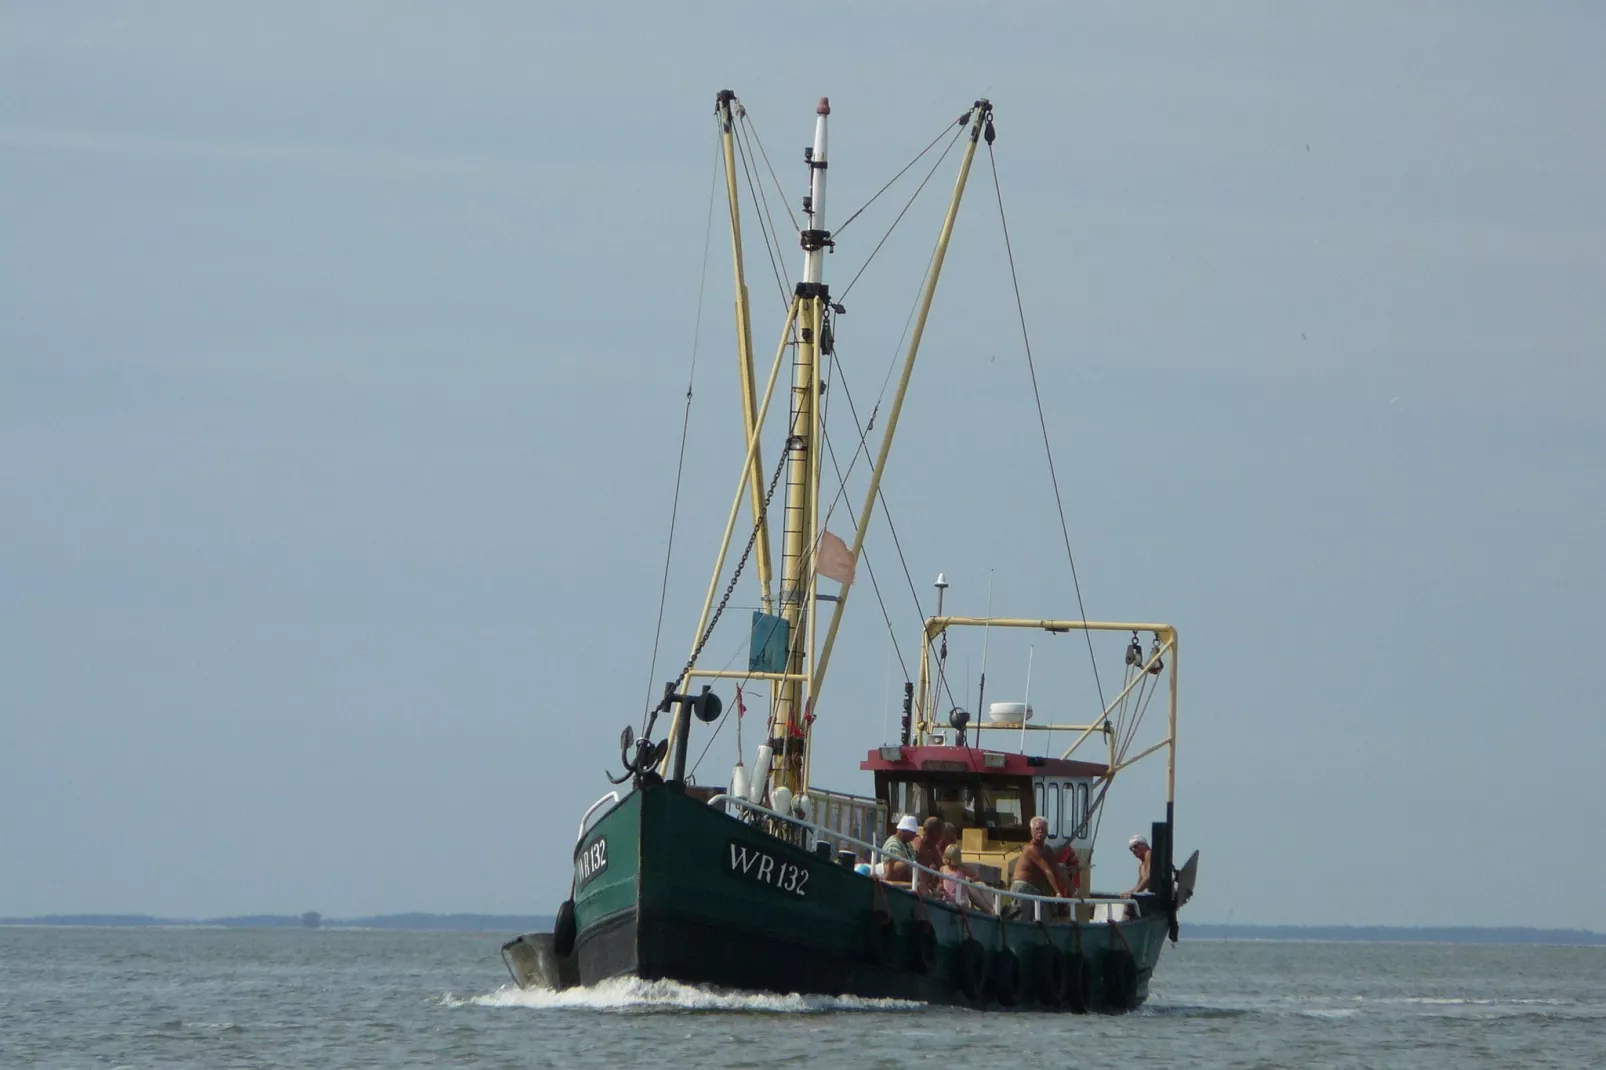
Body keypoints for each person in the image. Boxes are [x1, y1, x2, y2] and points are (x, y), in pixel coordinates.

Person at [1006, 815, 1073, 916]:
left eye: (1043, 829)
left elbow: (1058, 869)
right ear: (1032, 832)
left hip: (1036, 890)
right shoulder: (1031, 849)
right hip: (1023, 888)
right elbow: (1047, 870)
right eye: (1037, 829)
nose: (1040, 831)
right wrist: (1058, 892)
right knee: (1022, 917)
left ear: (1047, 832)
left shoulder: (1047, 850)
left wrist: (1073, 891)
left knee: (1044, 916)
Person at [940, 844, 994, 914]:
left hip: (961, 899)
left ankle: (991, 910)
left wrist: (970, 880)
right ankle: (990, 910)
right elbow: (941, 883)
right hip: (947, 899)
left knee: (973, 888)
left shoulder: (961, 869)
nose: (949, 862)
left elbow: (977, 876)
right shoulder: (942, 869)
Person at [879, 814, 919, 882]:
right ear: (904, 831)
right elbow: (899, 868)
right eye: (912, 833)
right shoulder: (893, 845)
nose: (914, 836)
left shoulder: (907, 844)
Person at [912, 816, 944, 895]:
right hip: (916, 885)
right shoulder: (917, 846)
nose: (940, 838)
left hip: (928, 887)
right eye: (940, 834)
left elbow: (941, 866)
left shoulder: (932, 847)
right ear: (934, 833)